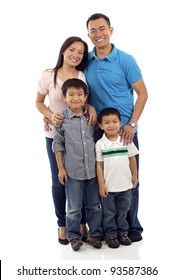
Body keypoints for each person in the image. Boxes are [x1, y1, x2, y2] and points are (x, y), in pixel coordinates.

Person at [84, 13, 148, 242]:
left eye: (102, 28)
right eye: (93, 30)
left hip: (124, 130)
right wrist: (89, 105)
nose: (98, 34)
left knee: (130, 179)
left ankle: (131, 228)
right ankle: (107, 230)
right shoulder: (87, 61)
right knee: (101, 180)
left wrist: (132, 123)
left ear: (111, 30)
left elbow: (143, 94)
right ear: (88, 34)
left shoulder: (125, 59)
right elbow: (80, 92)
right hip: (98, 130)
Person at [35, 36, 94, 245]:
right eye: (72, 50)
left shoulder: (82, 75)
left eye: (80, 52)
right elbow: (39, 102)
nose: (75, 55)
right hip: (55, 135)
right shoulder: (48, 75)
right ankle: (62, 224)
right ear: (63, 51)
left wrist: (92, 108)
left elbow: (86, 100)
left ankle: (81, 223)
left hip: (80, 136)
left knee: (84, 180)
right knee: (59, 181)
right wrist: (49, 115)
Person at [52, 78, 102, 251]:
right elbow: (57, 145)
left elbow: (98, 139)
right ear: (64, 97)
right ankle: (74, 237)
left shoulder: (92, 118)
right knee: (73, 208)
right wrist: (61, 169)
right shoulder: (61, 120)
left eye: (80, 94)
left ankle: (95, 234)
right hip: (73, 171)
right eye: (71, 94)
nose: (75, 98)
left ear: (85, 97)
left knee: (94, 205)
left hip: (92, 171)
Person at [96, 107, 139, 248]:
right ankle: (110, 235)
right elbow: (99, 165)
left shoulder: (126, 140)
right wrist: (101, 184)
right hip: (109, 186)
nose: (111, 125)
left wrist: (135, 174)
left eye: (115, 121)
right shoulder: (100, 144)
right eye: (107, 122)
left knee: (123, 211)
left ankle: (123, 233)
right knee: (109, 213)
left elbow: (132, 158)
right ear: (101, 126)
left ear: (120, 122)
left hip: (125, 185)